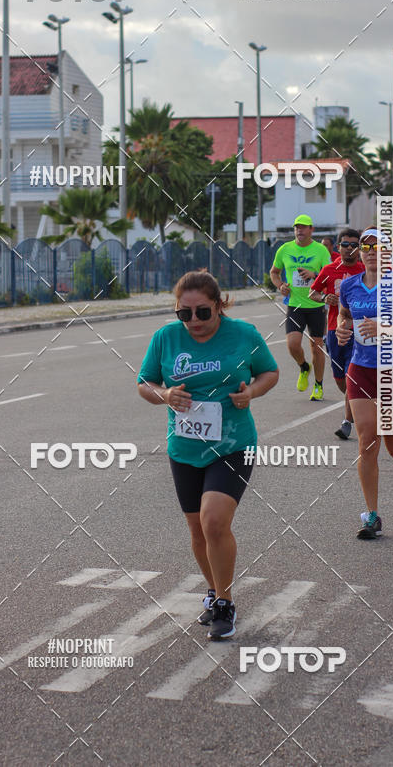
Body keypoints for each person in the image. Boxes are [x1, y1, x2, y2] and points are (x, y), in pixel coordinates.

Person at [137, 270, 279, 640]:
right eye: (184, 313)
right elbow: (145, 383)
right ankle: (215, 591)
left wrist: (252, 393)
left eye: (202, 312)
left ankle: (225, 603)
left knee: (214, 521)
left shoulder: (244, 334)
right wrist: (165, 395)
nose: (194, 321)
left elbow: (269, 373)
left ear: (219, 306)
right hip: (184, 448)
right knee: (198, 529)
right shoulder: (166, 338)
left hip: (233, 444)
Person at [336, 228, 393, 540]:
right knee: (367, 441)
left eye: (377, 247)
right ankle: (372, 515)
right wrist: (342, 330)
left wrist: (385, 328)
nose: (371, 252)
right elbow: (344, 316)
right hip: (361, 368)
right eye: (365, 247)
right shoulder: (349, 285)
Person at [309, 229, 365, 440]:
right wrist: (325, 298)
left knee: (352, 376)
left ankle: (347, 422)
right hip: (334, 329)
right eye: (345, 244)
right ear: (338, 247)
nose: (349, 248)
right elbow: (312, 292)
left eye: (354, 245)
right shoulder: (329, 269)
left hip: (359, 330)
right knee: (340, 378)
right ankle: (357, 401)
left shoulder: (365, 270)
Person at [269, 215, 331, 400]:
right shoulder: (284, 249)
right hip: (295, 305)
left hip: (316, 304)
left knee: (316, 347)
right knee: (293, 344)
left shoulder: (320, 250)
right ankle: (304, 367)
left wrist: (314, 274)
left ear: (311, 229)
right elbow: (274, 272)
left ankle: (318, 385)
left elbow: (330, 275)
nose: (299, 230)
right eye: (297, 227)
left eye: (303, 227)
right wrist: (280, 285)